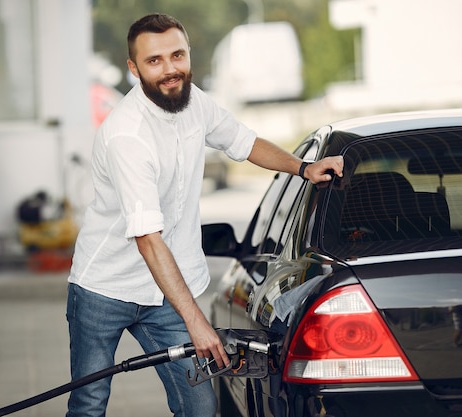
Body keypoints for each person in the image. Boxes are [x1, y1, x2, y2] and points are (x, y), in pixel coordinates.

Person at [66, 13, 344, 417]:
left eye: (177, 55)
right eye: (154, 60)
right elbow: (147, 239)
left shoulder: (195, 102)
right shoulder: (128, 135)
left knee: (199, 407)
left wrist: (302, 168)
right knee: (89, 405)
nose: (170, 69)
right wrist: (197, 321)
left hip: (166, 292)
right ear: (134, 68)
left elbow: (243, 141)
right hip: (104, 289)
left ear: (189, 54)